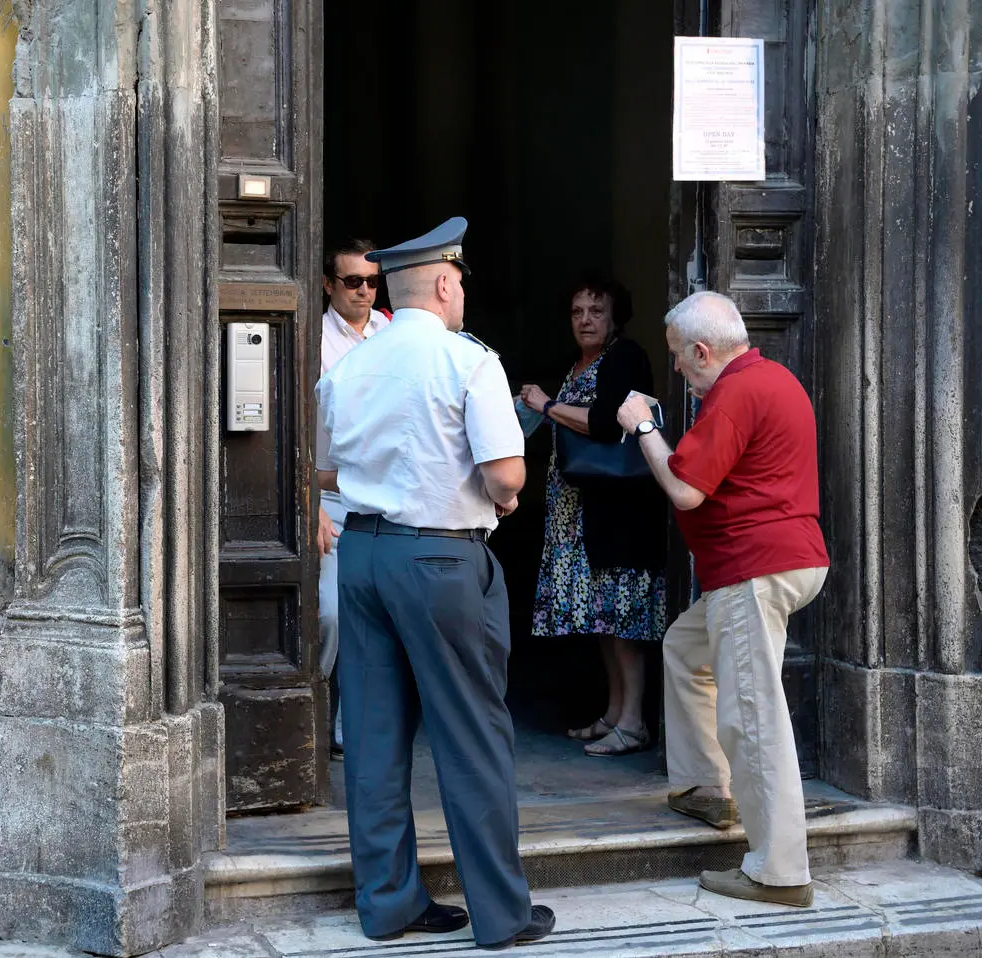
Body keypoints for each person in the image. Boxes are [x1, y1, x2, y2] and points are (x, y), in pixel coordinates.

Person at [316, 217, 554, 948]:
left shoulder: (347, 366)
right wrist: (505, 495)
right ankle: (501, 914)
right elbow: (505, 473)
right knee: (472, 733)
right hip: (440, 559)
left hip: (361, 555)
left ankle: (389, 905)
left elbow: (324, 470)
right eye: (459, 285)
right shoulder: (468, 361)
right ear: (446, 283)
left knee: (375, 736)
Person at [617, 290, 829, 908]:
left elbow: (685, 489)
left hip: (752, 569)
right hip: (778, 561)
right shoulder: (772, 378)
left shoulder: (736, 391)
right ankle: (704, 787)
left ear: (703, 350)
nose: (677, 370)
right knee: (685, 649)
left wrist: (646, 427)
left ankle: (778, 871)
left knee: (754, 717)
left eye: (680, 358)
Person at [518, 275, 668, 757]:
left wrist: (548, 404)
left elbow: (607, 422)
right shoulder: (581, 361)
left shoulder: (625, 357)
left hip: (616, 510)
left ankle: (633, 722)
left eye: (596, 311)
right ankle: (614, 713)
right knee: (601, 617)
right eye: (578, 311)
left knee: (623, 618)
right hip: (578, 512)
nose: (586, 320)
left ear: (615, 316)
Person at [316, 238, 390, 757]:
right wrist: (309, 505)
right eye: (352, 282)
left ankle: (350, 727)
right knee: (330, 615)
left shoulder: (392, 333)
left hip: (386, 497)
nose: (363, 291)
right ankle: (309, 716)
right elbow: (292, 426)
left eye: (371, 281)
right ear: (328, 284)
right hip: (332, 497)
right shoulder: (310, 336)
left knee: (378, 617)